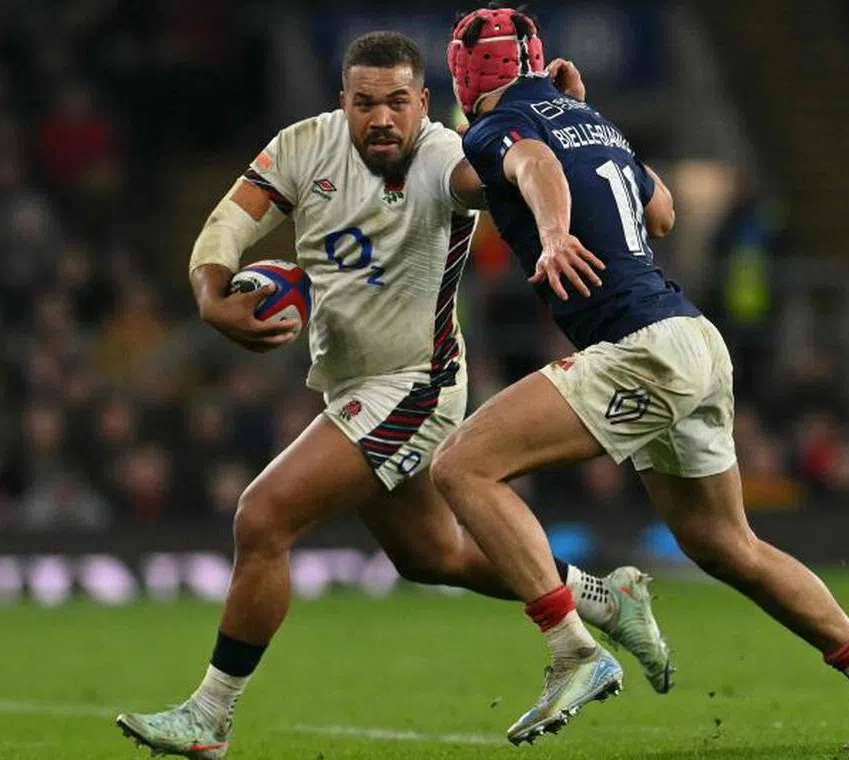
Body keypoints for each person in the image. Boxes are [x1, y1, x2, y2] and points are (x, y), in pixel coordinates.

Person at [115, 32, 671, 759]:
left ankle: (210, 717)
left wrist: (561, 120)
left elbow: (519, 166)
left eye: (398, 103)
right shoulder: (302, 147)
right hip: (352, 387)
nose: (383, 119)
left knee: (263, 518)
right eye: (366, 102)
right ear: (342, 102)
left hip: (418, 385)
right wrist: (210, 295)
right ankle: (604, 598)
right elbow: (227, 224)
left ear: (424, 104)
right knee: (433, 556)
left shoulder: (447, 157)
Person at [431, 6, 849, 750]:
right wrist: (580, 127)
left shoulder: (502, 126)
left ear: (468, 73)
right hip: (694, 338)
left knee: (462, 468)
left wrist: (558, 228)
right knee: (724, 543)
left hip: (637, 346)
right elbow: (660, 213)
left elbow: (529, 166)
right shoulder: (593, 122)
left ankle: (572, 648)